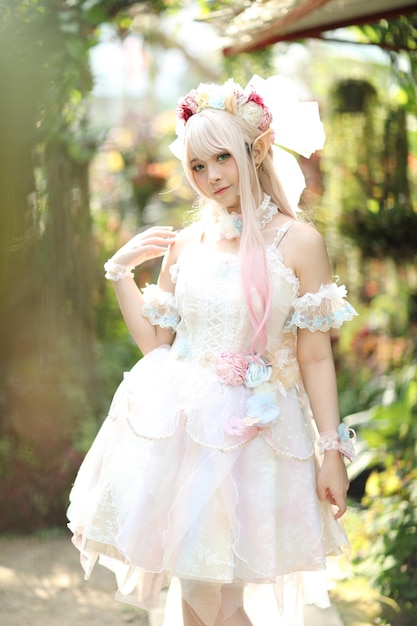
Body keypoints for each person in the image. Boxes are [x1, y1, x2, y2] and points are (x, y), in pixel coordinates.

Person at [67, 75, 358, 626]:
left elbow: (317, 357)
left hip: (260, 441)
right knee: (195, 594)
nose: (211, 176)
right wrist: (120, 271)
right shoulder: (186, 244)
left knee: (220, 602)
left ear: (256, 151)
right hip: (184, 438)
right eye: (198, 167)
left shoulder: (300, 243)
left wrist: (331, 452)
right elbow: (158, 344)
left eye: (222, 157)